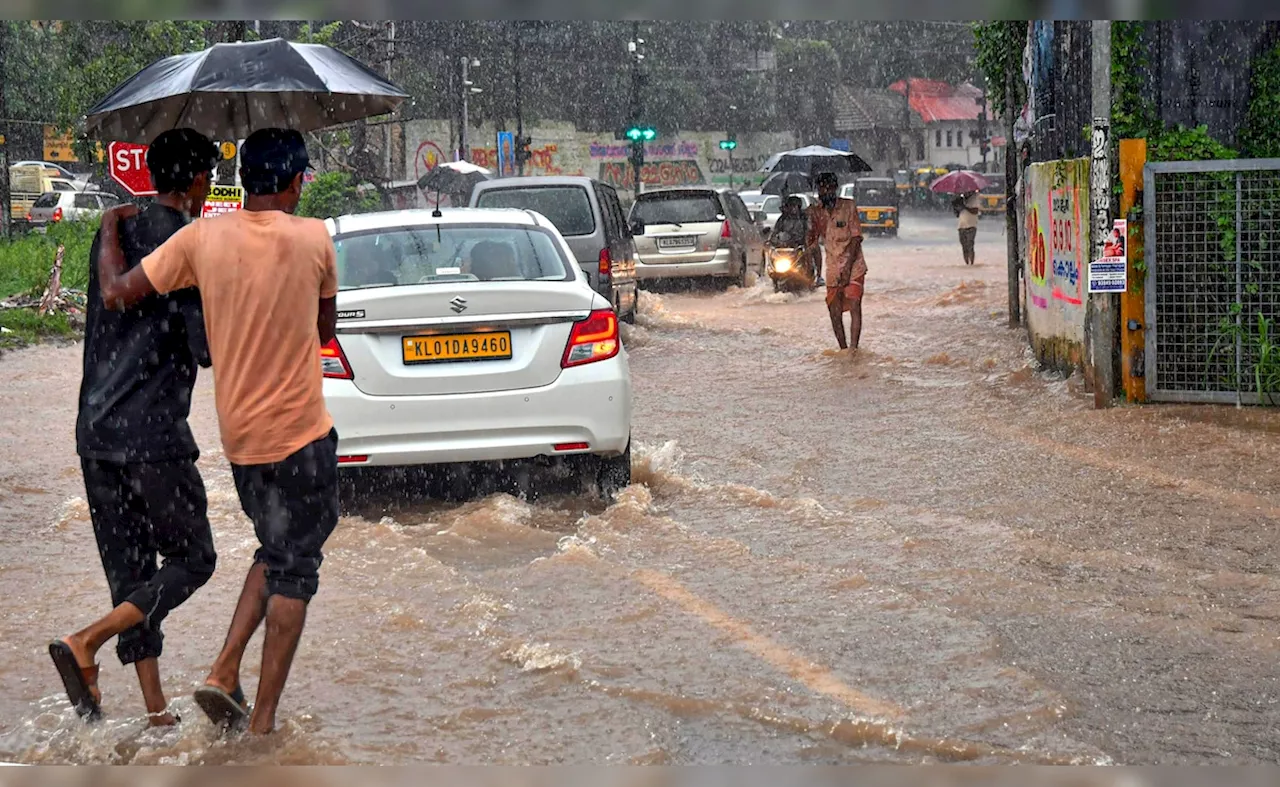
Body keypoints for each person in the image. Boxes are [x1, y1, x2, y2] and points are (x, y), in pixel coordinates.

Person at [94, 128, 340, 736]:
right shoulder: (314, 237)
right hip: (302, 436)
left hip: (242, 445)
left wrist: (107, 230)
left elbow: (117, 292)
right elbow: (325, 331)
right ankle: (261, 726)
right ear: (294, 181)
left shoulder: (200, 237)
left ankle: (224, 671)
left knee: (272, 551)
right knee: (296, 569)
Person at [48, 129, 221, 726]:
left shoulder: (113, 232)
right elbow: (204, 349)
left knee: (132, 572)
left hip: (95, 432)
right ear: (199, 180)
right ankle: (87, 641)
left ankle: (155, 711)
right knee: (195, 560)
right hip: (153, 435)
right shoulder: (192, 247)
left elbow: (111, 305)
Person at [807, 172, 867, 351]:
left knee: (854, 303)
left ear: (834, 189)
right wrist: (809, 221)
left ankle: (854, 350)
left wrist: (848, 267)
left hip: (854, 264)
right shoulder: (817, 212)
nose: (824, 192)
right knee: (834, 310)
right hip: (832, 266)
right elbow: (811, 242)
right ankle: (843, 349)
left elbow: (856, 238)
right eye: (820, 189)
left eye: (827, 188)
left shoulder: (848, 207)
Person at [956, 189, 981, 265]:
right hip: (961, 225)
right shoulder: (961, 199)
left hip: (971, 225)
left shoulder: (975, 197)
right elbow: (957, 214)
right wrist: (957, 206)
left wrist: (965, 207)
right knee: (964, 246)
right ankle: (967, 263)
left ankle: (972, 263)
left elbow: (975, 210)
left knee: (970, 245)